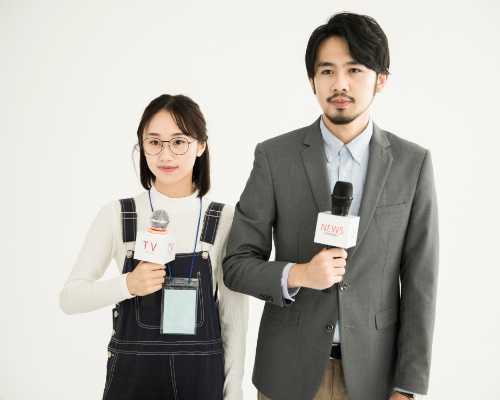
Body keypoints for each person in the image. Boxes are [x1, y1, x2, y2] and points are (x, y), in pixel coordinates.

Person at [223, 12, 438, 400]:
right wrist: (300, 274)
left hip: (375, 378)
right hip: (287, 375)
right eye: (327, 71)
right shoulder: (275, 157)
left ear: (381, 79)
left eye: (354, 70)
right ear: (313, 81)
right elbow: (236, 264)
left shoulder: (413, 163)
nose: (340, 84)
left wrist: (407, 386)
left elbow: (421, 282)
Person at [60, 94, 248, 400]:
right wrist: (128, 284)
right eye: (154, 142)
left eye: (179, 141)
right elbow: (70, 298)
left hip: (201, 378)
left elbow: (234, 318)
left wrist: (233, 393)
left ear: (201, 145)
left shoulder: (224, 219)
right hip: (132, 377)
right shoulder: (119, 215)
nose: (165, 154)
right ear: (142, 146)